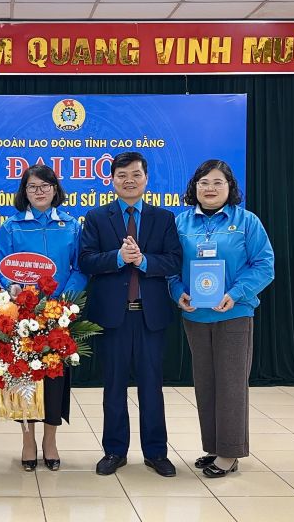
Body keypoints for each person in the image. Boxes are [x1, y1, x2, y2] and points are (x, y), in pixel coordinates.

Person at [168, 159, 274, 478]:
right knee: (206, 383)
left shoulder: (247, 222)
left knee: (231, 384)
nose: (210, 189)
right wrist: (177, 292)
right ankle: (214, 446)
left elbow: (264, 266)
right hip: (195, 315)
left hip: (235, 314)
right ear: (194, 189)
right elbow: (170, 268)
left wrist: (237, 293)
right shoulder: (181, 223)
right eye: (203, 183)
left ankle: (230, 453)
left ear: (230, 187)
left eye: (217, 183)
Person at [79, 151, 182, 478]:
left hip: (150, 316)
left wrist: (144, 261)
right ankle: (114, 451)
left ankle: (156, 452)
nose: (129, 180)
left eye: (136, 174)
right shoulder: (96, 218)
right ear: (111, 180)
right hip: (113, 316)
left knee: (152, 387)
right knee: (113, 386)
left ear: (146, 179)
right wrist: (119, 258)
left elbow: (174, 261)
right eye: (122, 175)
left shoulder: (163, 218)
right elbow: (86, 261)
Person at [0, 164, 87, 472]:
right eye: (33, 187)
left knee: (54, 378)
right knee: (24, 377)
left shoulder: (71, 226)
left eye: (45, 186)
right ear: (24, 191)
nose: (39, 191)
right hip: (23, 316)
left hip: (59, 314)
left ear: (55, 189)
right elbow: (1, 266)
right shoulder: (12, 227)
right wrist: (13, 288)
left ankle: (50, 439)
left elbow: (79, 267)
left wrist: (65, 302)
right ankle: (28, 440)